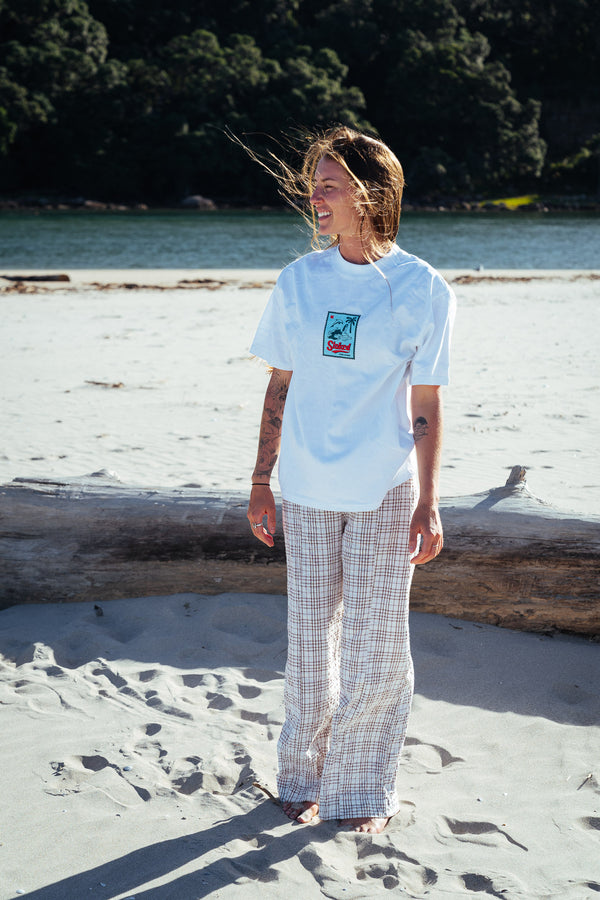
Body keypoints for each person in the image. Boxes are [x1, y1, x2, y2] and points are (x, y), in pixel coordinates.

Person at [246, 125, 456, 834]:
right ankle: (302, 779)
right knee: (309, 644)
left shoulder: (422, 287)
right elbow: (279, 385)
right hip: (304, 489)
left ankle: (363, 793)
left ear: (371, 195)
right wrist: (259, 481)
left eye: (329, 185)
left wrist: (429, 504)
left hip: (384, 491)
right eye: (314, 184)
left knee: (378, 649)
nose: (316, 197)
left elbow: (426, 402)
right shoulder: (298, 282)